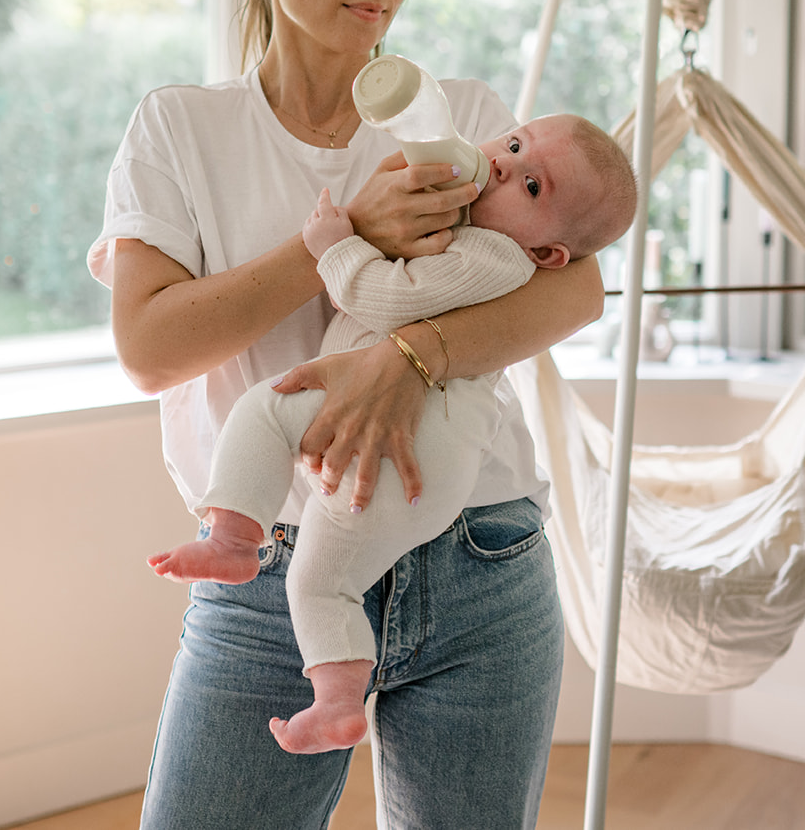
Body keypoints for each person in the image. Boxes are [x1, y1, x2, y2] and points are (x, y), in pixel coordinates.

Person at [88, 0, 609, 829]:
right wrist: (343, 232)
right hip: (272, 564)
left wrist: (411, 358)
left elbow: (571, 291)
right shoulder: (182, 127)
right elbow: (151, 349)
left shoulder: (460, 117)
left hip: (481, 555)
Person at [148, 112, 636, 756]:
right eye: (513, 145)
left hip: (418, 456)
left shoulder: (493, 258)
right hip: (386, 434)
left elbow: (386, 299)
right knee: (306, 537)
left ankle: (253, 564)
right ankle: (304, 647)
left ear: (547, 254)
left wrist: (334, 245)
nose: (503, 164)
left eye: (532, 186)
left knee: (290, 491)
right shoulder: (468, 223)